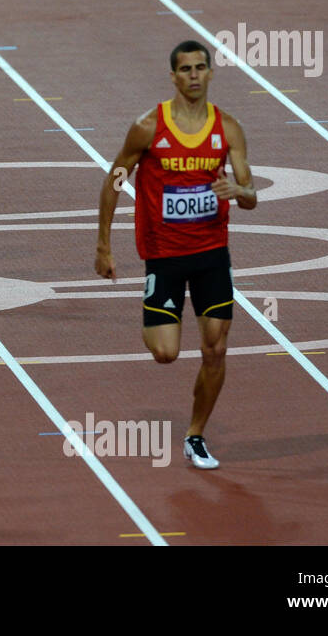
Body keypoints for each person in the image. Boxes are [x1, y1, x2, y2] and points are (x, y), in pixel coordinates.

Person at [95, 42, 257, 469]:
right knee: (166, 354)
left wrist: (239, 191)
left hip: (211, 253)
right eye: (185, 69)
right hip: (164, 256)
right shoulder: (148, 127)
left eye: (200, 68)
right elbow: (114, 178)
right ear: (173, 76)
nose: (193, 75)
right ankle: (155, 311)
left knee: (215, 350)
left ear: (210, 73)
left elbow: (250, 194)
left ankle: (196, 434)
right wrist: (103, 243)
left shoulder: (230, 129)